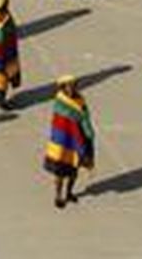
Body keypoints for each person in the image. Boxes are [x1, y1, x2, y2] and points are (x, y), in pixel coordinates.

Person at [45, 75, 94, 208]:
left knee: (74, 170)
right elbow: (66, 120)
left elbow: (85, 117)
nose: (71, 88)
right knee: (60, 172)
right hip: (62, 141)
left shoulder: (80, 100)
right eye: (68, 85)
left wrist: (89, 133)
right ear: (63, 87)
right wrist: (78, 121)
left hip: (76, 140)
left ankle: (69, 193)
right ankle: (58, 196)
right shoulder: (60, 102)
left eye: (73, 85)